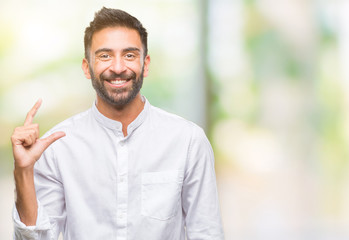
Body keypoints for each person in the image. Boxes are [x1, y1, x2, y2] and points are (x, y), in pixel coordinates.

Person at [12, 7, 224, 240]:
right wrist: (23, 172)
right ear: (86, 67)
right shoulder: (57, 147)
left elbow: (207, 233)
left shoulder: (188, 141)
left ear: (146, 64)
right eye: (104, 55)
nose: (118, 67)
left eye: (130, 55)